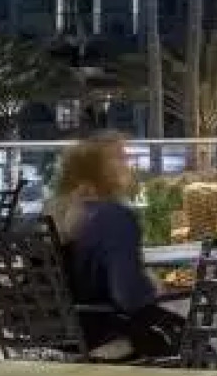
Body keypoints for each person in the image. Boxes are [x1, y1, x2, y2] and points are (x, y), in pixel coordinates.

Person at [49, 136, 186, 360]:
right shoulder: (115, 216)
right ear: (100, 170)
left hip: (70, 335)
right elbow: (128, 297)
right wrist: (160, 289)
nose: (128, 164)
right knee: (198, 340)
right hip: (111, 335)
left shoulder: (59, 212)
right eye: (120, 158)